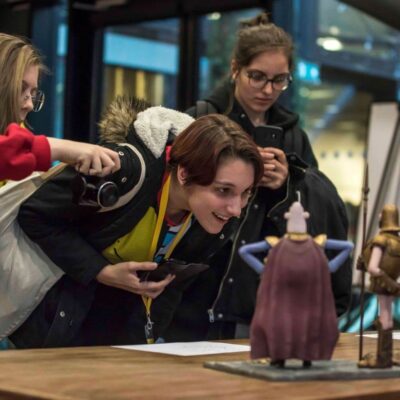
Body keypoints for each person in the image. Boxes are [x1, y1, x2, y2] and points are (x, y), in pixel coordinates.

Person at [9, 97, 263, 348]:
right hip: (56, 331)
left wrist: (145, 345)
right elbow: (35, 213)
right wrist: (101, 271)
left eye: (246, 193)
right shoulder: (125, 171)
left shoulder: (218, 217)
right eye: (223, 190)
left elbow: (172, 288)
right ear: (184, 174)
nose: (236, 209)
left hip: (123, 342)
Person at [165, 12, 351, 341]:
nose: (268, 89)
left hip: (257, 290)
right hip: (193, 281)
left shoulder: (292, 136)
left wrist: (287, 182)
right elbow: (172, 191)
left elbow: (322, 206)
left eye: (280, 80)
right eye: (257, 77)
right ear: (235, 69)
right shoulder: (202, 120)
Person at [239, 200, 353, 368]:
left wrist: (264, 270)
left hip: (288, 300)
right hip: (305, 300)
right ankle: (304, 358)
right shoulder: (315, 244)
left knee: (283, 322)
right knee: (304, 324)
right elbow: (348, 246)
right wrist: (329, 267)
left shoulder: (278, 245)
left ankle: (282, 357)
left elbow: (244, 251)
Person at [0, 32, 120, 182]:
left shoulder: (22, 142)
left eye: (33, 94)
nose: (29, 105)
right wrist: (58, 148)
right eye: (20, 89)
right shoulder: (22, 148)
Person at [358, 204, 400, 368]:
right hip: (390, 282)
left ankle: (383, 358)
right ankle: (385, 355)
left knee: (384, 316)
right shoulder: (396, 242)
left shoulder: (380, 241)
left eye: (381, 214)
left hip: (382, 284)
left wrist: (388, 283)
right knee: (387, 315)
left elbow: (373, 267)